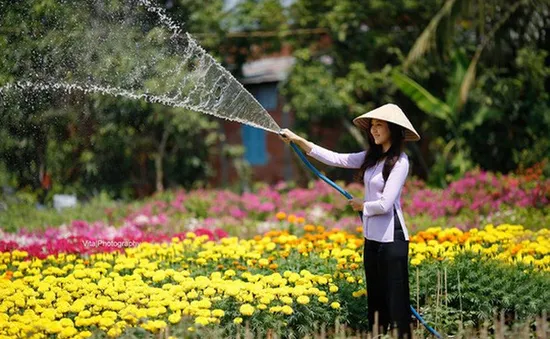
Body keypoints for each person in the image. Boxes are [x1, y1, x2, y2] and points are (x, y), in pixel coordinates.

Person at [279, 103, 420, 339]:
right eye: (372, 126)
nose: (374, 130)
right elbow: (336, 158)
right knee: (375, 299)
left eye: (379, 126)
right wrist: (298, 140)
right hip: (371, 239)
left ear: (393, 130)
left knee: (396, 301)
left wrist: (362, 205)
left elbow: (386, 204)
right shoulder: (371, 157)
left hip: (392, 239)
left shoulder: (400, 162)